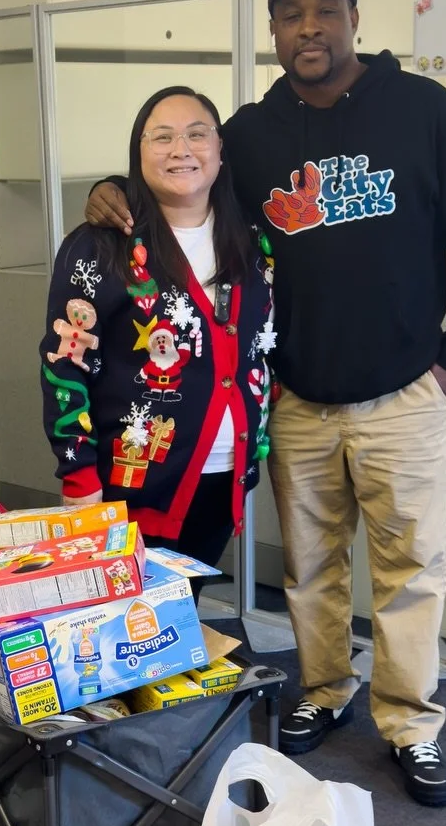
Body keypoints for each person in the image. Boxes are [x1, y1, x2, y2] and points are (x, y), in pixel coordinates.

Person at [86, 0, 446, 806]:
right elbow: (186, 180)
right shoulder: (250, 132)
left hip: (404, 393)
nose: (308, 26)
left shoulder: (424, 111)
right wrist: (113, 189)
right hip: (297, 401)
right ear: (273, 25)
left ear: (355, 15)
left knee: (410, 570)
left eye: (325, 9)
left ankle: (410, 723)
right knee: (311, 566)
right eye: (290, 12)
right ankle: (324, 692)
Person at [40, 85, 273, 571]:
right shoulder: (99, 247)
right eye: (161, 137)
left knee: (181, 610)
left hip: (225, 471)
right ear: (138, 152)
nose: (181, 150)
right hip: (132, 481)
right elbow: (65, 363)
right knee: (130, 626)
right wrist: (79, 477)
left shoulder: (253, 243)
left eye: (197, 134)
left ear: (220, 149)